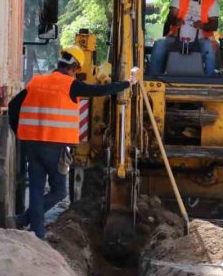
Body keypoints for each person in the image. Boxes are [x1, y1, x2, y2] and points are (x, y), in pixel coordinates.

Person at [9, 46, 134, 239]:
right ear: (75, 67)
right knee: (59, 191)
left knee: (35, 188)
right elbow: (100, 90)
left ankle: (35, 230)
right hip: (54, 145)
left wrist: (18, 131)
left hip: (31, 143)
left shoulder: (36, 81)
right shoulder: (71, 85)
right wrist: (126, 84)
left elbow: (13, 105)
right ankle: (27, 222)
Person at [149, 0, 220, 76]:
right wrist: (175, 21)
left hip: (201, 40)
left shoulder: (211, 2)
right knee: (159, 44)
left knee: (209, 48)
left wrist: (202, 26)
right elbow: (170, 17)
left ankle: (210, 80)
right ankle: (154, 78)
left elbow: (214, 25)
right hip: (176, 38)